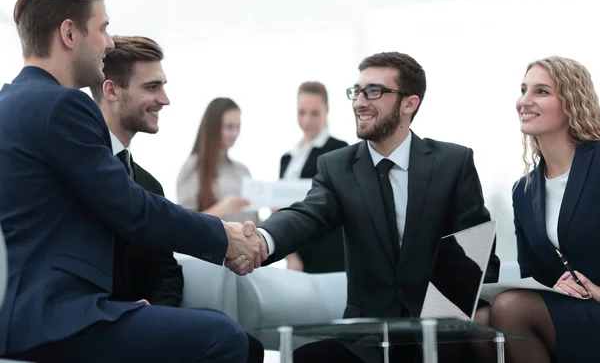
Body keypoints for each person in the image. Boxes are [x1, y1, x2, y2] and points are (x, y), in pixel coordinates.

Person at [0, 0, 265, 362]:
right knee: (223, 336)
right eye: (103, 28)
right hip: (57, 319)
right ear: (69, 34)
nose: (108, 43)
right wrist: (224, 236)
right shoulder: (63, 105)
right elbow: (131, 209)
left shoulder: (9, 103)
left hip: (22, 316)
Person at [228, 52, 501, 363]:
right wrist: (263, 240)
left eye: (374, 92)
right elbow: (308, 214)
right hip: (366, 340)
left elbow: (479, 251)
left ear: (409, 103)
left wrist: (459, 314)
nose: (359, 102)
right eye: (356, 92)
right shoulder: (337, 166)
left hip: (440, 336)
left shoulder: (453, 163)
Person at [91, 35, 264, 362]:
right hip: (95, 321)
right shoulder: (78, 170)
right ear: (111, 90)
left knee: (247, 344)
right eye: (152, 87)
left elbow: (166, 271)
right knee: (228, 337)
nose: (165, 99)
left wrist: (157, 314)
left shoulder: (149, 184)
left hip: (139, 322)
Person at [473, 56, 600, 363]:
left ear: (571, 101)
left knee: (509, 308)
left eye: (541, 91)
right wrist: (557, 284)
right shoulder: (524, 190)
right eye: (523, 89)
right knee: (478, 322)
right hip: (570, 309)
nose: (524, 101)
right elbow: (534, 275)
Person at [279, 81, 348, 273]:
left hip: (327, 253)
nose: (307, 120)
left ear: (326, 111)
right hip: (295, 251)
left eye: (314, 113)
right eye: (302, 112)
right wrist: (290, 255)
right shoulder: (287, 158)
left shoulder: (339, 150)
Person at [177, 98, 258, 225]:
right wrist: (223, 208)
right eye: (229, 127)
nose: (235, 133)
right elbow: (185, 224)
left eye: (238, 127)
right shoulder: (193, 167)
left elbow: (254, 222)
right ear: (212, 127)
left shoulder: (242, 170)